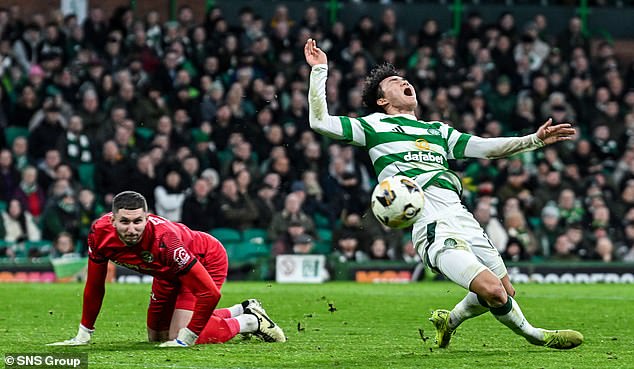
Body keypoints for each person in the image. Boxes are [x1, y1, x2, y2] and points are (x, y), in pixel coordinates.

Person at [304, 38, 582, 349]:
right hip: (430, 224)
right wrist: (320, 70)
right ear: (383, 101)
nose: (404, 82)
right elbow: (320, 122)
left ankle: (448, 321)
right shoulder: (373, 127)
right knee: (493, 291)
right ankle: (535, 335)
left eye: (405, 79)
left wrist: (533, 140)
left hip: (461, 216)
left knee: (505, 291)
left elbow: (485, 148)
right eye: (395, 82)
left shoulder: (438, 131)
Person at [48, 191, 285, 348]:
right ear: (113, 221)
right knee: (157, 337)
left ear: (147, 218)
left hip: (203, 259)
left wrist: (187, 338)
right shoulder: (98, 234)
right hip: (165, 273)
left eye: (137, 221)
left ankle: (250, 321)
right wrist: (83, 333)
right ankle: (240, 308)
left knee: (178, 333)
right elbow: (95, 285)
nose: (132, 229)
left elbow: (209, 294)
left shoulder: (165, 241)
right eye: (125, 222)